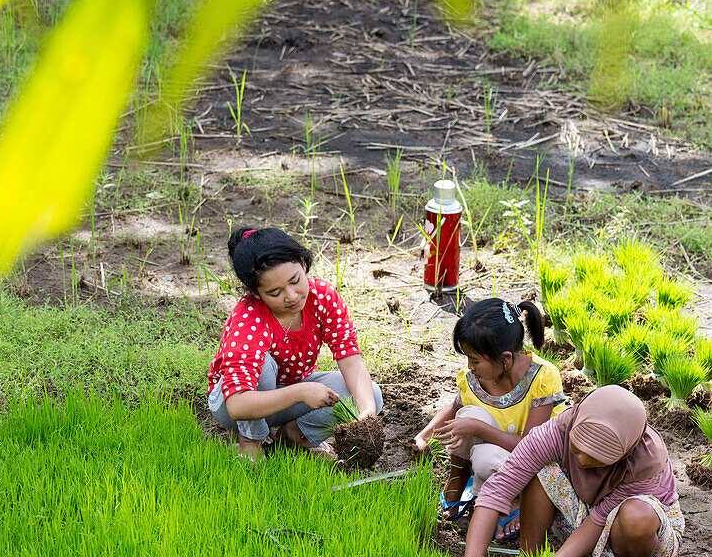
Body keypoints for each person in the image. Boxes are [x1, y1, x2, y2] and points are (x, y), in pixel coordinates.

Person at [461, 385, 684, 557]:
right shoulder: (557, 430)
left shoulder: (646, 461)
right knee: (540, 468)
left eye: (598, 460)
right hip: (584, 518)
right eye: (576, 450)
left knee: (637, 515)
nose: (583, 461)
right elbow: (498, 490)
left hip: (642, 540)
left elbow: (601, 518)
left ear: (624, 452)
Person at [208, 226, 382, 459]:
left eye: (295, 280)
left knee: (369, 394)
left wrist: (367, 413)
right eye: (275, 292)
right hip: (234, 404)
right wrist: (301, 392)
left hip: (290, 394)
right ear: (256, 292)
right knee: (263, 366)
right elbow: (237, 405)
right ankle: (250, 441)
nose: (291, 296)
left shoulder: (322, 297)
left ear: (303, 262)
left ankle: (294, 437)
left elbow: (350, 359)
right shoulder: (249, 319)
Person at [415, 297, 564, 538]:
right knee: (468, 413)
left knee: (483, 452)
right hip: (494, 455)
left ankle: (513, 500)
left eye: (474, 360)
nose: (469, 366)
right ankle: (457, 480)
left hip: (531, 466)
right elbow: (455, 407)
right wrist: (423, 437)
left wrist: (478, 428)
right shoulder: (475, 376)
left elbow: (532, 447)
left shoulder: (542, 378)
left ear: (505, 358)